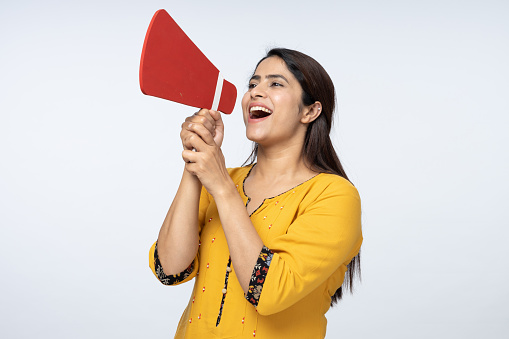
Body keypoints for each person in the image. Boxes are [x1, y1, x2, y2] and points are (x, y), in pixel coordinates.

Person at [149, 48, 362, 339]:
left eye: (275, 84)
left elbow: (269, 292)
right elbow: (169, 268)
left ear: (310, 110)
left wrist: (221, 186)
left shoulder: (334, 196)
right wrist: (195, 162)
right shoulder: (223, 179)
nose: (255, 92)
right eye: (252, 84)